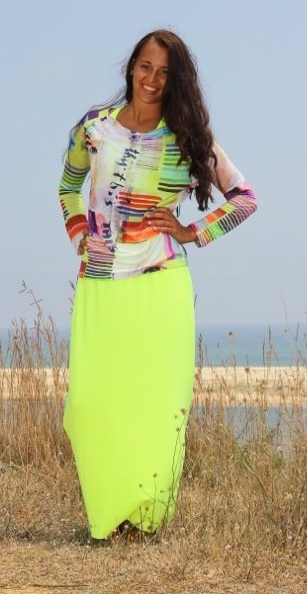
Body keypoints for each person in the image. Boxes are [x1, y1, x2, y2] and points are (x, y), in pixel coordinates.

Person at [59, 29, 257, 540]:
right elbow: (68, 186)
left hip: (160, 283)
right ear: (131, 67)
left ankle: (144, 519)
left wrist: (194, 232)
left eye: (165, 72)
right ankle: (108, 509)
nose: (152, 79)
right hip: (101, 280)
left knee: (154, 404)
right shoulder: (94, 127)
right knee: (88, 403)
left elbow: (245, 198)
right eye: (146, 66)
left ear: (176, 81)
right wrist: (81, 236)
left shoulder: (186, 137)